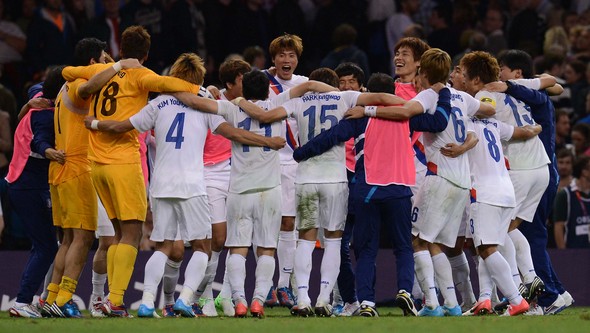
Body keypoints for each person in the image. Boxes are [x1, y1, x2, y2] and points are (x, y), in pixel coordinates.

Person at [84, 53, 286, 318]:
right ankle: (186, 298)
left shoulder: (159, 103)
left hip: (161, 184)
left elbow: (123, 126)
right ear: (198, 78)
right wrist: (267, 142)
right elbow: (233, 133)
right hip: (192, 183)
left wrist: (95, 123)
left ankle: (146, 302)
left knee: (163, 246)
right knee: (202, 247)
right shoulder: (204, 102)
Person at [238, 68, 415, 317]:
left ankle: (302, 298)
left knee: (306, 239)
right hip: (335, 179)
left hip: (306, 179)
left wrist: (237, 100)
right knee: (333, 241)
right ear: (333, 85)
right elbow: (384, 98)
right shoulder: (344, 98)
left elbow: (266, 116)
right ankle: (323, 299)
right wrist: (408, 106)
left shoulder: (297, 101)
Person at [61, 25, 200, 317]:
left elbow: (67, 72)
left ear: (121, 49)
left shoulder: (100, 69)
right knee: (132, 234)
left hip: (96, 163)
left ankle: (106, 300)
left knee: (116, 233)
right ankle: (115, 299)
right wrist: (203, 90)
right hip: (123, 162)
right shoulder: (143, 76)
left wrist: (113, 66)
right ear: (146, 54)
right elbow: (181, 87)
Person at [174, 69, 337, 318]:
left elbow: (195, 101)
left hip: (239, 190)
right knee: (266, 250)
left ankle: (239, 301)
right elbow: (309, 85)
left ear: (243, 89)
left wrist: (172, 87)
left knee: (237, 248)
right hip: (270, 190)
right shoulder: (277, 103)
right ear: (267, 89)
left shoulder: (229, 108)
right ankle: (258, 301)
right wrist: (340, 94)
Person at [347, 48, 495, 317]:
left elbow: (404, 112)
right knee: (439, 243)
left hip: (439, 177)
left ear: (422, 72)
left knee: (416, 239)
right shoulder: (461, 98)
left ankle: (432, 302)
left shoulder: (428, 96)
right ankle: (451, 303)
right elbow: (488, 109)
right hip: (462, 181)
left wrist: (368, 111)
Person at [293, 72, 451, 317]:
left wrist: (302, 152)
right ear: (393, 94)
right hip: (399, 189)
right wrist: (445, 94)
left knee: (366, 250)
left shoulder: (358, 117)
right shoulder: (407, 117)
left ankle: (367, 302)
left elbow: (331, 136)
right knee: (403, 247)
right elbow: (440, 122)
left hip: (366, 190)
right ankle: (405, 292)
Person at [41, 38, 141, 318]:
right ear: (92, 63)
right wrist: (120, 65)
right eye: (104, 57)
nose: (109, 60)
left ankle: (51, 298)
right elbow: (87, 87)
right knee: (82, 240)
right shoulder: (76, 85)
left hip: (60, 170)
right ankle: (63, 300)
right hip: (77, 168)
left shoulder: (62, 87)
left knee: (68, 240)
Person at [495, 49, 574, 314]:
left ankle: (545, 293)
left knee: (532, 235)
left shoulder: (532, 97)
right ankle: (556, 292)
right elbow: (556, 85)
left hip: (536, 168)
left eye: (502, 69)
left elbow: (552, 85)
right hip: (538, 169)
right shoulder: (523, 96)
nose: (498, 75)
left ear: (517, 73)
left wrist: (509, 85)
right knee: (527, 234)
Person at [7, 67, 65, 318]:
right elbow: (40, 142)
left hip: (25, 182)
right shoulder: (47, 116)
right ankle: (22, 302)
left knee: (43, 245)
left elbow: (37, 88)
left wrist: (29, 102)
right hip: (28, 185)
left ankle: (32, 299)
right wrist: (53, 153)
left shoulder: (39, 95)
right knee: (46, 246)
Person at [264, 33, 308, 308]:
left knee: (289, 223)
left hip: (293, 162)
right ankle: (265, 287)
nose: (286, 59)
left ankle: (284, 285)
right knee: (265, 225)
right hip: (265, 160)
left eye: (291, 55)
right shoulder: (259, 81)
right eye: (282, 54)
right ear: (274, 59)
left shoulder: (304, 84)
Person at [553, 155, 590, 249]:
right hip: (573, 252)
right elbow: (558, 226)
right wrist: (564, 254)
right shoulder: (565, 195)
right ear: (584, 171)